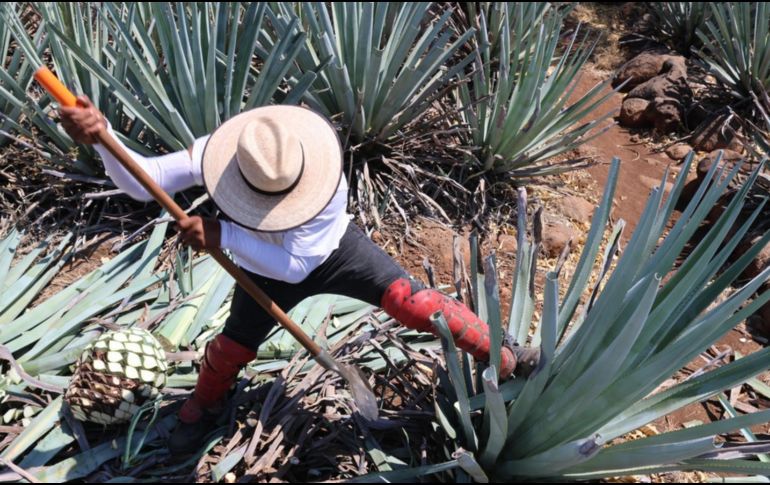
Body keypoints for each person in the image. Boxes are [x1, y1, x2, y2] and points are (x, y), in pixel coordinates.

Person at [59, 98, 521, 454]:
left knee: (411, 302)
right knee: (231, 348)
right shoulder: (232, 154)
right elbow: (145, 180)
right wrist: (103, 139)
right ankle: (207, 404)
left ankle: (499, 354)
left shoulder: (326, 184)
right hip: (262, 273)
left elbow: (297, 267)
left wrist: (223, 234)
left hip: (334, 253)